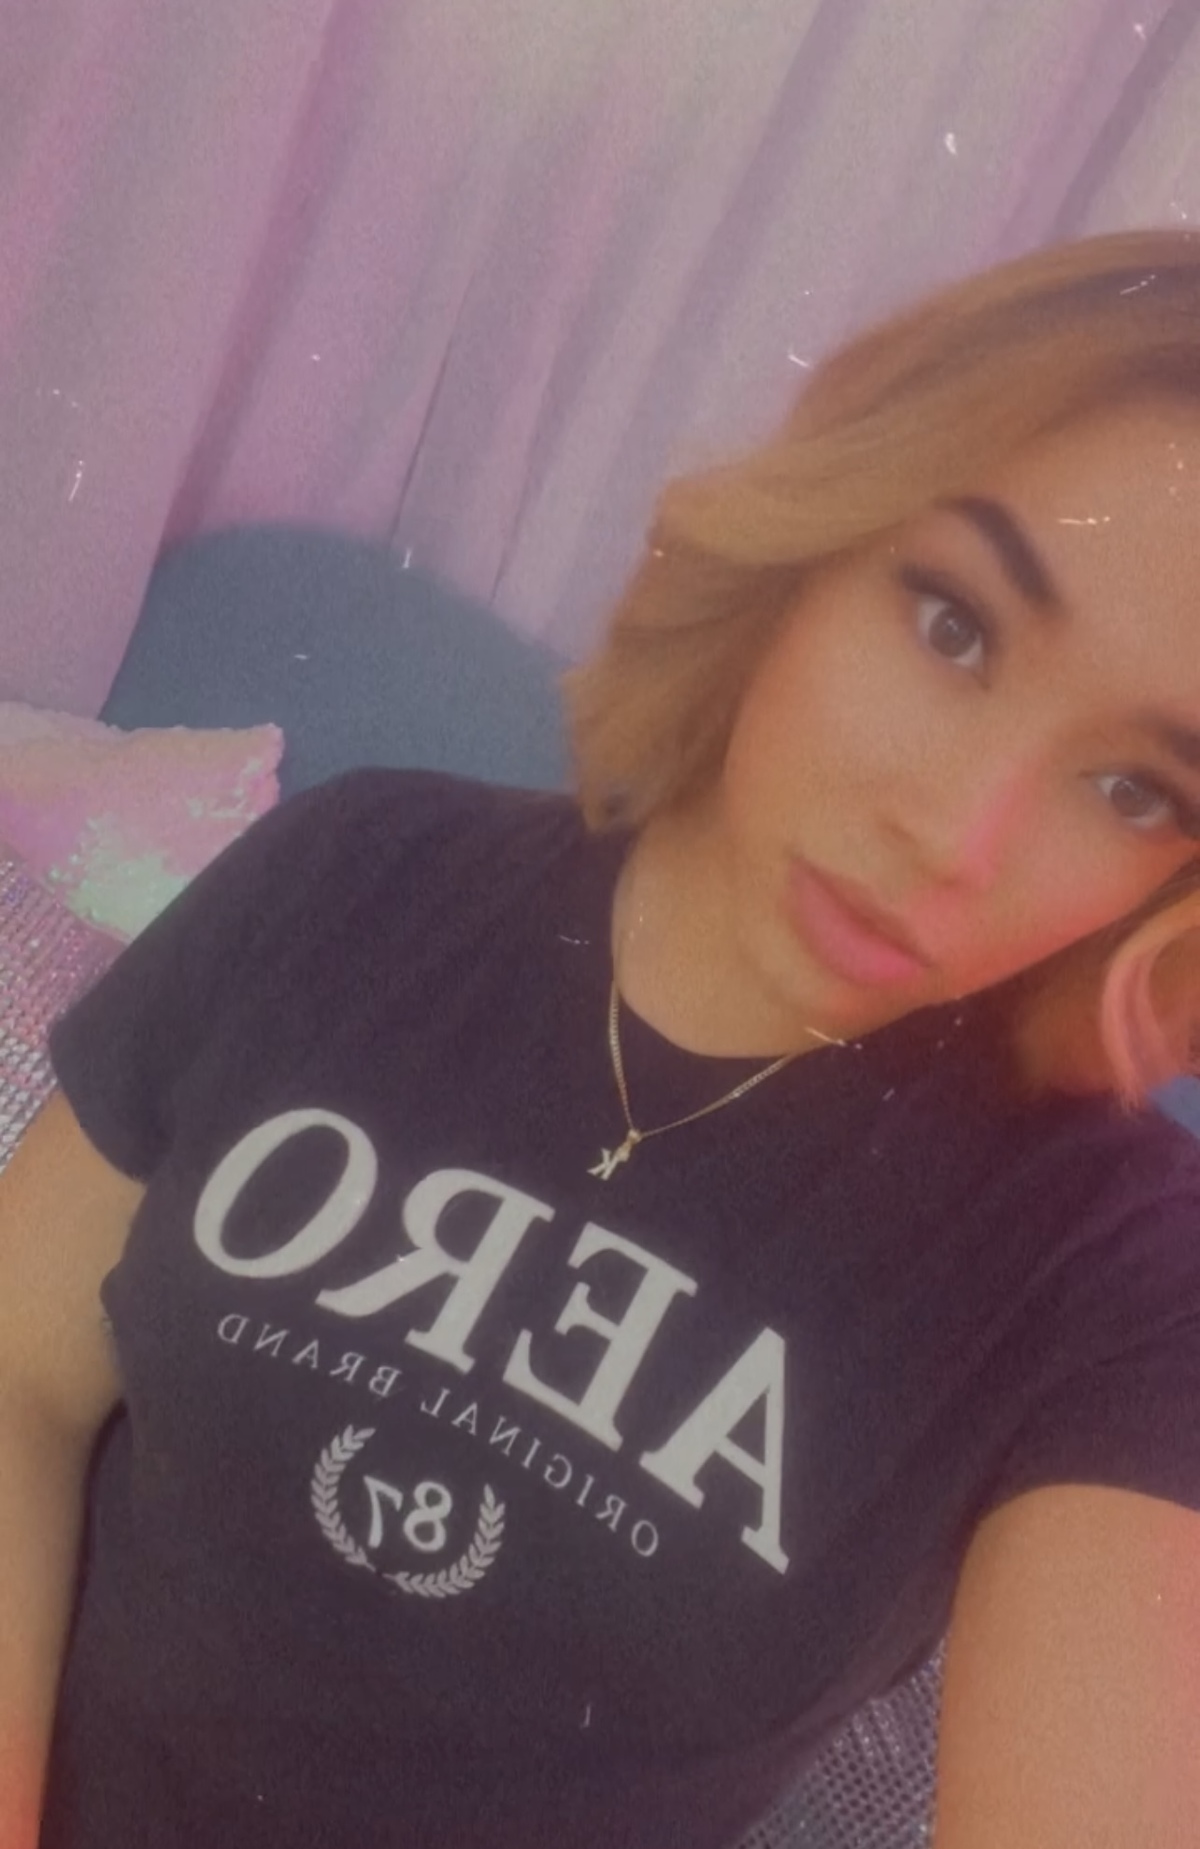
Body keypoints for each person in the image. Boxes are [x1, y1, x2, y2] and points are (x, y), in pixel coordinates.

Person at [3, 227, 1200, 1849]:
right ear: (816, 535)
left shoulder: (1106, 1266)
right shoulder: (362, 869)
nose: (955, 837)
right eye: (953, 624)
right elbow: (23, 1373)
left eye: (1134, 789)